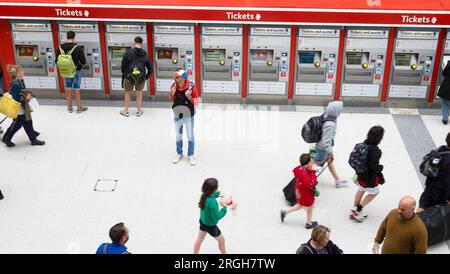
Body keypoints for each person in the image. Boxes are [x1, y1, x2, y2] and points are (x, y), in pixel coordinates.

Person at [1, 65, 45, 147]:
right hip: (19, 109)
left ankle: (33, 138)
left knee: (28, 122)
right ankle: (7, 138)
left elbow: (22, 92)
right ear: (17, 74)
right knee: (17, 125)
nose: (23, 72)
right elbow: (16, 99)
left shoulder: (20, 81)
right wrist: (27, 97)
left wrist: (28, 94)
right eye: (21, 71)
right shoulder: (16, 84)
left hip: (23, 108)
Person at [350, 126, 385, 222]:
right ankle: (359, 208)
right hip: (369, 178)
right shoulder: (375, 151)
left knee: (361, 190)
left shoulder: (362, 145)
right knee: (375, 192)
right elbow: (374, 167)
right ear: (380, 138)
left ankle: (353, 210)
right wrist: (380, 167)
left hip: (359, 174)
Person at [313, 101, 348, 188]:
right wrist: (330, 151)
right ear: (336, 111)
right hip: (323, 149)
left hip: (320, 146)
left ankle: (337, 180)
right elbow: (325, 142)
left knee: (329, 162)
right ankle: (307, 179)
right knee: (317, 166)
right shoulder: (330, 124)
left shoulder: (326, 115)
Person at [280, 153, 319, 229]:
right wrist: (312, 172)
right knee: (310, 209)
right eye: (310, 162)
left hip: (300, 193)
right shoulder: (305, 175)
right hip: (306, 195)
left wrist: (310, 170)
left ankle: (285, 212)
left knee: (300, 205)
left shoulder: (299, 169)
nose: (312, 163)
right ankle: (309, 223)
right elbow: (311, 183)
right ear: (306, 164)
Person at [170, 69, 199, 166]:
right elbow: (171, 99)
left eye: (177, 77)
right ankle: (179, 153)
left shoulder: (191, 87)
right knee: (178, 135)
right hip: (177, 114)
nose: (175, 78)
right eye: (175, 77)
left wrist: (189, 97)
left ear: (183, 78)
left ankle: (191, 154)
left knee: (190, 135)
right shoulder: (174, 86)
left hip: (188, 115)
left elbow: (196, 102)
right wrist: (172, 94)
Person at [119, 36, 152, 117]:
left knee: (127, 93)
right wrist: (146, 77)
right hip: (141, 77)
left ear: (134, 42)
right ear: (141, 43)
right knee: (139, 94)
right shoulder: (145, 54)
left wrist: (124, 73)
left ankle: (126, 111)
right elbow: (150, 68)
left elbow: (123, 65)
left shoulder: (128, 52)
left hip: (128, 76)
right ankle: (138, 111)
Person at [56, 30, 88, 114]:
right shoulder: (77, 48)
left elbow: (56, 61)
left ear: (67, 37)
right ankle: (78, 107)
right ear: (74, 37)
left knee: (68, 88)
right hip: (76, 71)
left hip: (66, 71)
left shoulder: (60, 47)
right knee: (76, 89)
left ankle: (69, 107)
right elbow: (83, 61)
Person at [417, 132, 450, 212]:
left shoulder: (439, 151)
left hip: (427, 194)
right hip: (439, 199)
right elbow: (448, 182)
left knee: (420, 217)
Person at [194, 178, 228, 254]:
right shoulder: (212, 203)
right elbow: (217, 217)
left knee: (199, 239)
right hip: (210, 226)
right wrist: (224, 208)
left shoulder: (204, 195)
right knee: (222, 240)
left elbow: (211, 196)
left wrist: (218, 194)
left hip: (203, 222)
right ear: (213, 190)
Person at [438, 60, 450, 125]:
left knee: (446, 104)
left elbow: (443, 74)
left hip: (447, 88)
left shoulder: (449, 64)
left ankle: (445, 119)